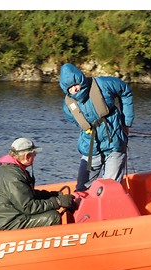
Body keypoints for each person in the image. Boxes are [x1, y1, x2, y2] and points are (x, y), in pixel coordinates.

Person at [59, 63, 134, 191]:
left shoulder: (104, 84)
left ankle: (111, 209)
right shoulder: (68, 106)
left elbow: (126, 91)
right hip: (90, 148)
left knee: (110, 188)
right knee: (81, 189)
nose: (74, 90)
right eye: (70, 88)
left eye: (75, 85)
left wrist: (126, 122)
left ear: (81, 79)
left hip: (114, 143)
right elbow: (76, 121)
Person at [0, 137, 75, 230]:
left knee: (49, 209)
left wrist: (53, 195)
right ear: (27, 156)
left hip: (2, 215)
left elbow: (27, 194)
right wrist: (58, 202)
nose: (35, 156)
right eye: (34, 154)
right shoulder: (13, 177)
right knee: (53, 217)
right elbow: (28, 207)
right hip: (5, 221)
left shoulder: (11, 169)